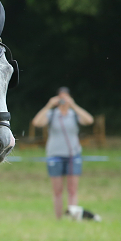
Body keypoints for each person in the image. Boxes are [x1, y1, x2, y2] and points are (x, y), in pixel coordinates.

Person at [31, 87, 94, 220]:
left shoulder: (74, 114)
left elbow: (89, 120)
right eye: (61, 97)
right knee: (57, 190)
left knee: (72, 189)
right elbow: (36, 122)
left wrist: (74, 105)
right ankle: (58, 219)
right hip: (55, 155)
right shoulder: (52, 114)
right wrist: (48, 105)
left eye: (66, 97)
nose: (63, 100)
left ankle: (73, 217)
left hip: (73, 155)